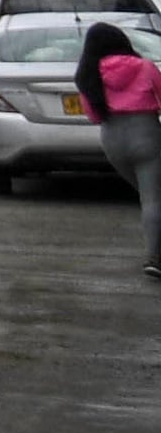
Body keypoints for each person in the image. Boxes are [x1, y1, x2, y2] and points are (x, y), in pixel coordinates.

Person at [89, 21, 161, 276]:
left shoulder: (90, 74)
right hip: (146, 134)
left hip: (112, 138)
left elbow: (93, 115)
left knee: (148, 196)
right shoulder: (145, 66)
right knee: (153, 199)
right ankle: (155, 258)